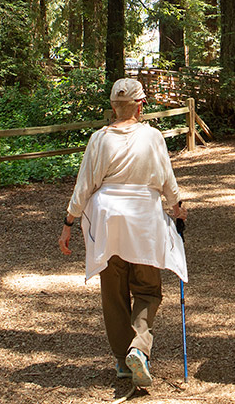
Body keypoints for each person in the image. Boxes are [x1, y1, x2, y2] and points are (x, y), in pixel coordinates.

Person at [58, 78, 188, 388]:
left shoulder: (98, 139)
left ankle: (122, 361)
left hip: (108, 221)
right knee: (146, 288)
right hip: (143, 219)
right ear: (140, 105)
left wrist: (68, 224)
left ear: (114, 107)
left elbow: (84, 185)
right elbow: (167, 179)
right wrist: (177, 207)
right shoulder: (153, 137)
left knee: (113, 291)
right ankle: (138, 347)